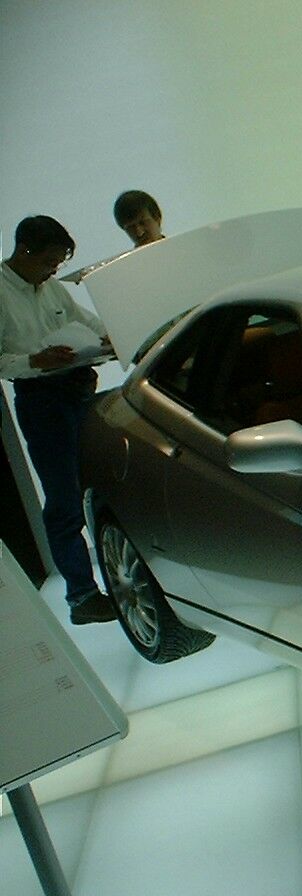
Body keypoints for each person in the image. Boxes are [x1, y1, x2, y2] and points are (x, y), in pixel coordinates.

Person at [1, 216, 117, 623]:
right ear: (25, 251)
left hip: (79, 389)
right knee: (65, 500)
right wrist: (33, 360)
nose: (54, 269)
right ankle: (82, 597)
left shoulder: (49, 286)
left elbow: (85, 322)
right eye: (50, 260)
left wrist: (110, 337)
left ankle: (117, 580)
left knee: (104, 482)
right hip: (42, 402)